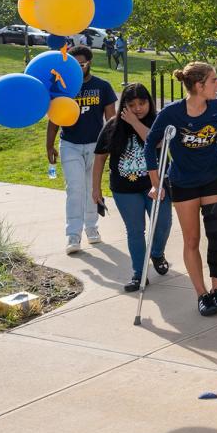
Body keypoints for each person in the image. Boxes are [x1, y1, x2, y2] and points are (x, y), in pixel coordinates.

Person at [144, 62, 217, 317]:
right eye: (214, 80)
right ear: (199, 85)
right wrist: (155, 181)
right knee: (192, 239)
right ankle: (202, 294)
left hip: (213, 177)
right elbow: (150, 145)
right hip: (183, 181)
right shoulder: (172, 113)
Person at [91, 83, 170, 291]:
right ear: (123, 105)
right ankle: (139, 273)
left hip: (156, 185)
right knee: (135, 231)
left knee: (162, 224)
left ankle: (156, 253)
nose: (137, 108)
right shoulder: (112, 125)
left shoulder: (158, 121)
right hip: (124, 188)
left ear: (149, 103)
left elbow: (156, 143)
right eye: (132, 104)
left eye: (142, 103)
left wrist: (135, 123)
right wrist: (96, 188)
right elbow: (99, 158)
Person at [46, 46, 117, 254]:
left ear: (90, 63)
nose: (79, 67)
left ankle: (92, 228)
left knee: (91, 188)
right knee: (75, 188)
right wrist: (49, 145)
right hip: (70, 144)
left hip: (96, 146)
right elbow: (54, 118)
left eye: (82, 64)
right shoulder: (63, 88)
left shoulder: (102, 87)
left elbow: (111, 120)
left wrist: (111, 145)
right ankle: (73, 235)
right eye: (74, 64)